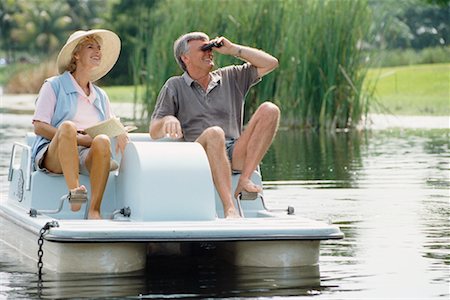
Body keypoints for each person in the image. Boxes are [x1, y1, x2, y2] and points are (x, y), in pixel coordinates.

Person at [149, 32, 280, 218]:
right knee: (214, 133)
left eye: (210, 48)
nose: (210, 53)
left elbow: (271, 63)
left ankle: (244, 180)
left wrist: (233, 49)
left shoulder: (231, 76)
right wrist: (168, 120)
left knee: (270, 110)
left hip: (234, 153)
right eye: (203, 49)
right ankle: (230, 208)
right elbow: (154, 130)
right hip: (199, 157)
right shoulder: (174, 85)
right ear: (185, 58)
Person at [31, 29, 128, 219]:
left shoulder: (100, 95)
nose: (98, 51)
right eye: (90, 47)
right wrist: (80, 139)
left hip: (86, 153)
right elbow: (39, 126)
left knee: (101, 140)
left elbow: (111, 123)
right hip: (55, 153)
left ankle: (94, 211)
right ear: (76, 54)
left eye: (99, 48)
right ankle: (75, 190)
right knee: (67, 126)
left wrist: (121, 131)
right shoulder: (53, 85)